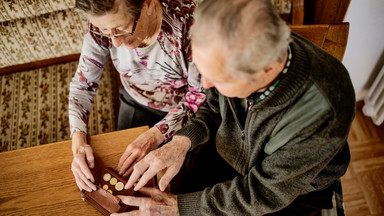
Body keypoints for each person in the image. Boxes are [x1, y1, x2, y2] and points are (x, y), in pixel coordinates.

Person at [110, 0, 356, 215]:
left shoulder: (323, 112)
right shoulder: (229, 54)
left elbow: (263, 194)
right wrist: (182, 142)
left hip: (287, 192)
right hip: (229, 152)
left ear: (266, 71)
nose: (205, 85)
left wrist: (180, 208)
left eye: (216, 80)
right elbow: (213, 104)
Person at [69, 0, 205, 193]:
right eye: (105, 32)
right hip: (136, 101)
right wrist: (79, 143)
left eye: (121, 29)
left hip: (189, 110)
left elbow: (199, 95)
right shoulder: (101, 25)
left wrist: (156, 136)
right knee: (121, 180)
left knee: (178, 187)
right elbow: (83, 86)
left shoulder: (191, 24)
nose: (115, 42)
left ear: (148, 5)